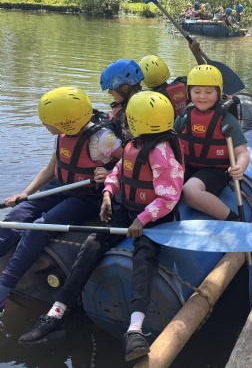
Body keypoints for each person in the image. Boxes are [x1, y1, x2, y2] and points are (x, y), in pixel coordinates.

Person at [18, 91, 184, 363]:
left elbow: (169, 197)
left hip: (154, 217)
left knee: (144, 255)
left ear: (135, 120)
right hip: (127, 209)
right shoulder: (134, 144)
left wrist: (142, 220)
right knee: (92, 243)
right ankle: (57, 312)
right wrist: (108, 192)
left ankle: (135, 329)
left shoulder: (162, 153)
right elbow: (119, 170)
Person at [0, 87, 123, 315]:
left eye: (48, 122)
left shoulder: (103, 139)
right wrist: (25, 193)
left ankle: (5, 286)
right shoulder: (62, 136)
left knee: (39, 227)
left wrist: (109, 174)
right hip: (59, 186)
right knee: (16, 216)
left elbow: (131, 164)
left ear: (67, 122)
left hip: (86, 196)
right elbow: (50, 169)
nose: (44, 125)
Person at [175, 65, 250, 220]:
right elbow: (171, 143)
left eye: (209, 92)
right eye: (197, 92)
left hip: (215, 171)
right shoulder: (184, 117)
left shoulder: (226, 119)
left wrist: (240, 167)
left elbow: (242, 152)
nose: (202, 96)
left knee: (189, 191)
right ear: (189, 92)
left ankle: (232, 219)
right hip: (188, 166)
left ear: (218, 92)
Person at [138, 41, 205, 117]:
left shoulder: (150, 100)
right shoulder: (184, 83)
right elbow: (203, 74)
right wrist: (195, 52)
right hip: (189, 121)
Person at [100, 58, 144, 141]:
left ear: (125, 89)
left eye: (111, 89)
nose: (109, 92)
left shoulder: (119, 113)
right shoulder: (151, 103)